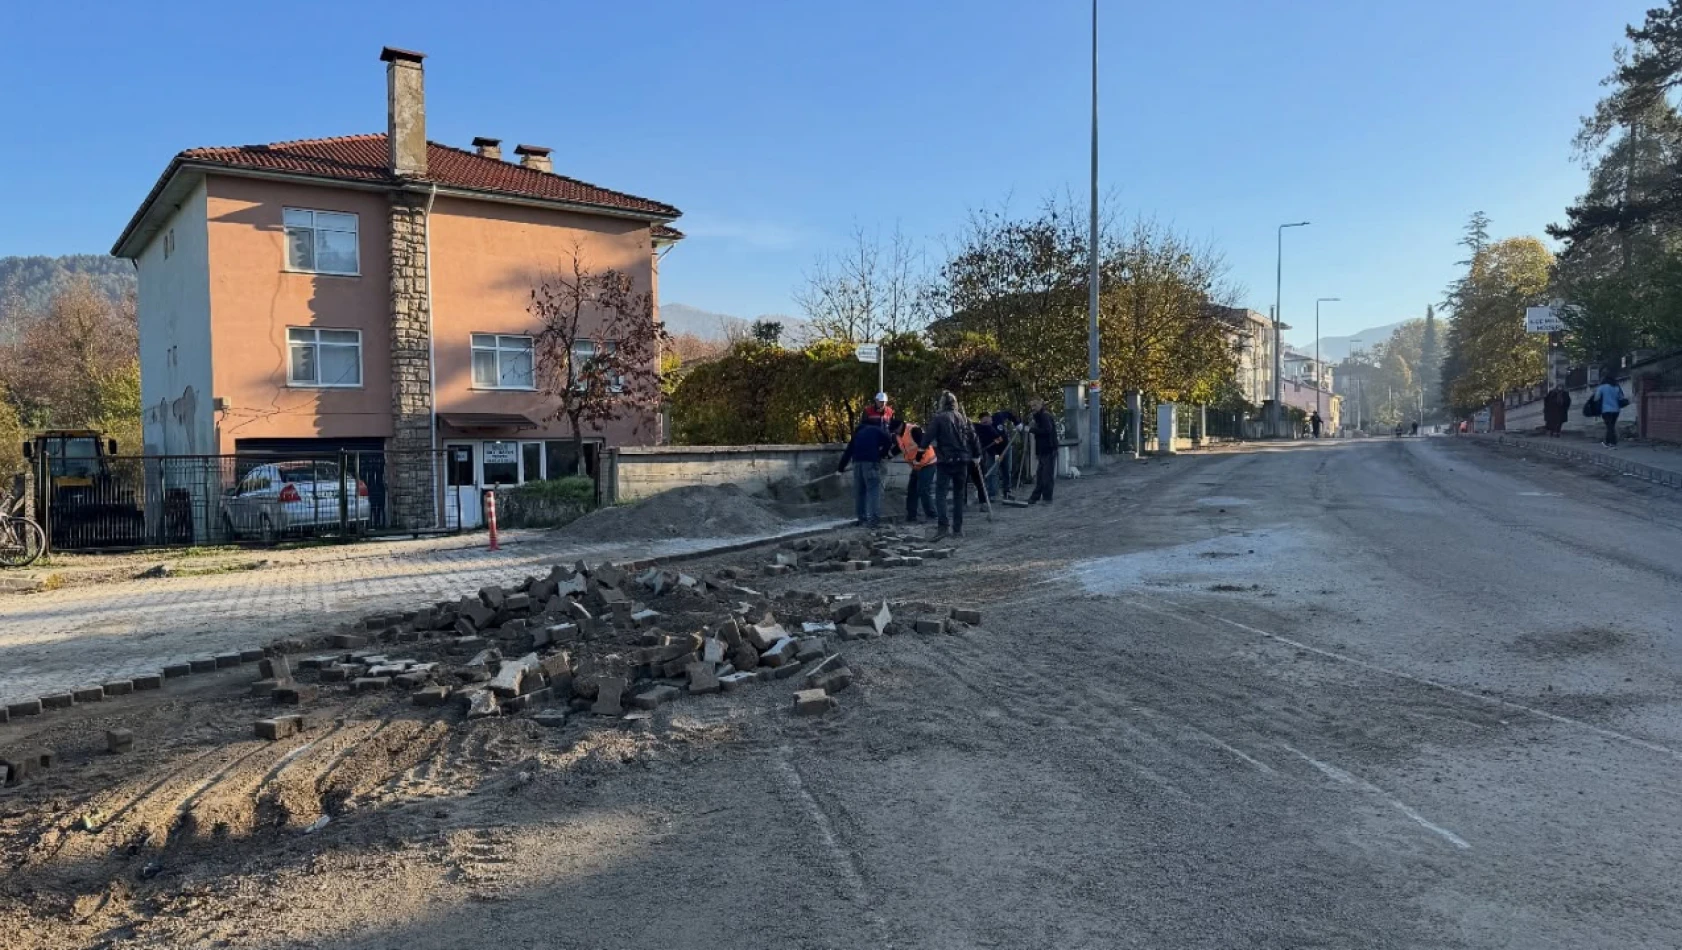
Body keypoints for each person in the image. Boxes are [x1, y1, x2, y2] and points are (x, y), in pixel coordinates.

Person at [928, 390, 983, 539]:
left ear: (942, 403)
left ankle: (943, 527)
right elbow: (974, 438)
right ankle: (958, 529)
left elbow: (928, 436)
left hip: (946, 461)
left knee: (941, 493)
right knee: (959, 495)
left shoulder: (939, 418)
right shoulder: (964, 418)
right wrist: (977, 456)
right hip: (963, 461)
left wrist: (923, 447)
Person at [837, 415, 895, 527]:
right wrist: (881, 455)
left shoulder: (858, 434)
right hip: (871, 463)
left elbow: (848, 451)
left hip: (856, 463)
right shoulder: (877, 430)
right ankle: (873, 522)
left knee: (860, 492)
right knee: (873, 490)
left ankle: (861, 519)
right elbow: (889, 440)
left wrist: (840, 469)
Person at [897, 420, 937, 523]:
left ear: (900, 426)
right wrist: (887, 455)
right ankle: (911, 516)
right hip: (916, 466)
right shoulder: (899, 435)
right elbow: (899, 448)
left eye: (895, 430)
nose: (894, 432)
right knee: (912, 490)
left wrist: (918, 459)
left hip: (928, 463)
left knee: (923, 489)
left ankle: (932, 515)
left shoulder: (913, 430)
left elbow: (923, 444)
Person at [1027, 398, 1058, 505]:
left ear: (1040, 405)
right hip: (1043, 449)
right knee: (1040, 475)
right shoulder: (1038, 417)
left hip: (1048, 449)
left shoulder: (1045, 416)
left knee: (1046, 475)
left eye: (1035, 406)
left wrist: (1031, 430)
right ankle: (1034, 497)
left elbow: (1047, 430)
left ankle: (1047, 498)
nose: (1033, 408)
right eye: (1031, 406)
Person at [1593, 370, 1628, 448]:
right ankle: (1608, 442)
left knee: (1609, 426)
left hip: (1606, 410)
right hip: (1616, 410)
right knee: (1611, 425)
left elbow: (1596, 398)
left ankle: (1612, 442)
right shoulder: (1616, 387)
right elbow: (1621, 397)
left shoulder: (1601, 387)